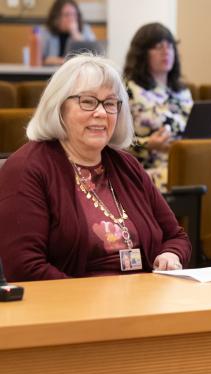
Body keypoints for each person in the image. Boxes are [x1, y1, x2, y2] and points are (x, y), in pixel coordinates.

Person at [0, 54, 191, 282]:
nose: (101, 112)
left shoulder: (126, 165)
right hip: (71, 308)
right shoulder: (27, 168)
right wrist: (92, 303)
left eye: (110, 103)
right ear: (59, 107)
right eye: (88, 101)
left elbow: (176, 236)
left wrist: (171, 254)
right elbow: (24, 267)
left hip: (144, 300)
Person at [123, 22, 193, 190]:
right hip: (148, 170)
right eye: (158, 46)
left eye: (170, 46)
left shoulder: (183, 92)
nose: (166, 51)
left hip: (187, 164)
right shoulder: (127, 90)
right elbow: (114, 143)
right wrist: (148, 144)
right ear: (141, 54)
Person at [41, 0, 96, 66]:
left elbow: (92, 56)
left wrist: (75, 34)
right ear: (57, 17)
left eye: (74, 14)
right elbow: (41, 58)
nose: (71, 18)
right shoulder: (47, 32)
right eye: (67, 15)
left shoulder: (85, 30)